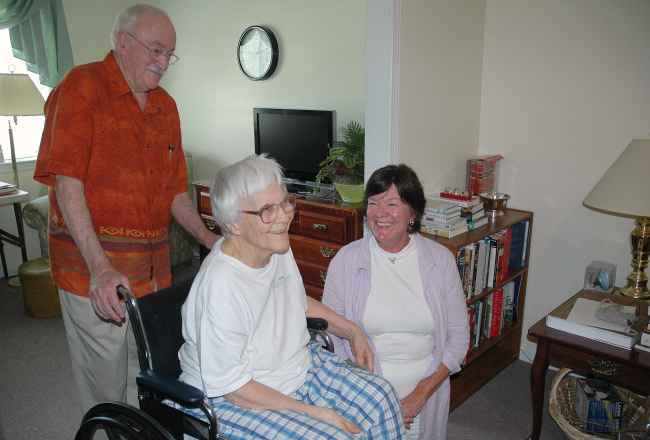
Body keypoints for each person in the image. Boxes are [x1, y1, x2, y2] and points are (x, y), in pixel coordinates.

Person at [33, 5, 219, 415]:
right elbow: (68, 185)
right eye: (155, 49)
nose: (163, 62)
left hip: (151, 275)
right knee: (106, 385)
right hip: (93, 271)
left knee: (147, 372)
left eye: (169, 53)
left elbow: (175, 193)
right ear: (122, 42)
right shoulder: (81, 88)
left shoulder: (166, 107)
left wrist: (209, 238)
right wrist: (100, 268)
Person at [174, 154, 406, 439]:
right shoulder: (222, 285)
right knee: (331, 436)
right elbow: (235, 389)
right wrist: (315, 412)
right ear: (233, 224)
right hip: (235, 397)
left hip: (296, 368)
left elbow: (297, 301)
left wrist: (352, 331)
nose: (284, 216)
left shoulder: (274, 246)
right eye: (267, 210)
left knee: (382, 400)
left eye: (285, 202)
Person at [322, 164, 470, 440]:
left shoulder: (440, 261)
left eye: (392, 204)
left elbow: (459, 338)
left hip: (425, 392)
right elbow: (332, 337)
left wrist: (421, 393)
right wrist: (366, 392)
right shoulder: (346, 260)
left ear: (412, 213)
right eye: (374, 204)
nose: (380, 214)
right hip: (363, 393)